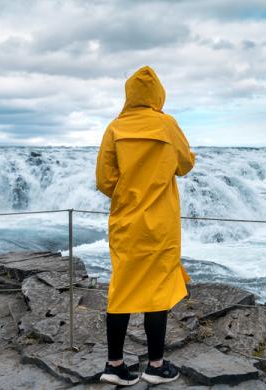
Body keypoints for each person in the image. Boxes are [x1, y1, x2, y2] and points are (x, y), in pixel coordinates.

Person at [95, 66, 195, 386]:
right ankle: (156, 365)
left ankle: (115, 365)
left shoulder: (114, 128)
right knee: (158, 290)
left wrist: (128, 194)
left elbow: (104, 180)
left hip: (125, 221)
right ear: (157, 94)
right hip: (161, 224)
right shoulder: (167, 124)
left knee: (121, 288)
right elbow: (185, 165)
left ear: (129, 94)